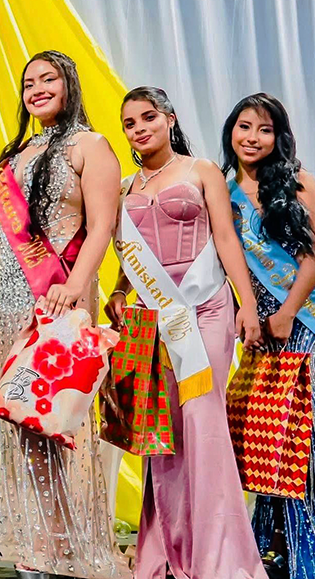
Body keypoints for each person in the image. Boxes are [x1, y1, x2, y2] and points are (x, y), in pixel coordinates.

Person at [0, 50, 127, 579]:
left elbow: (102, 225)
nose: (36, 89)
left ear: (69, 84)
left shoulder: (92, 146)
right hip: (7, 301)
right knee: (21, 418)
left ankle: (70, 543)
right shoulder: (16, 152)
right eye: (29, 82)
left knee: (59, 421)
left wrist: (76, 285)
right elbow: (3, 234)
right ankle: (37, 540)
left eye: (48, 79)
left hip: (60, 297)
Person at [105, 86, 267, 579]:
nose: (140, 128)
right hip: (150, 315)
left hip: (206, 306)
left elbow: (225, 239)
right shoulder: (123, 189)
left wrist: (247, 304)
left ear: (170, 119)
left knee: (204, 422)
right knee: (165, 432)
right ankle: (167, 549)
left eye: (148, 117)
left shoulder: (202, 171)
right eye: (130, 123)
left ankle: (220, 555)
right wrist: (118, 291)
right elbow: (127, 257)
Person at [222, 92, 315, 579]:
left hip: (302, 324)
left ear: (278, 137)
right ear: (230, 131)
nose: (253, 138)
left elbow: (314, 257)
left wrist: (288, 311)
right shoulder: (222, 190)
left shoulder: (298, 183)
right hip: (258, 333)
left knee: (298, 442)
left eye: (264, 129)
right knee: (263, 443)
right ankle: (269, 547)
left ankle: (303, 556)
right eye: (245, 127)